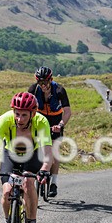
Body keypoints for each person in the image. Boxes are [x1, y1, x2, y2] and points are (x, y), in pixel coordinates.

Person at [0, 92, 52, 223]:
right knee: (7, 191)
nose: (19, 119)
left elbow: (47, 151)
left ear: (33, 113)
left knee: (28, 183)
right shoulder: (5, 120)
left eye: (24, 115)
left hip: (32, 155)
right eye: (17, 114)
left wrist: (45, 169)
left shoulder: (41, 122)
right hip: (10, 155)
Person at [27, 67, 71, 197]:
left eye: (45, 82)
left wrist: (61, 125)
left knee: (54, 151)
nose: (43, 85)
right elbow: (26, 108)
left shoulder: (59, 91)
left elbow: (67, 112)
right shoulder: (33, 90)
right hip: (40, 121)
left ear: (51, 80)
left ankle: (54, 183)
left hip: (55, 122)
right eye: (40, 82)